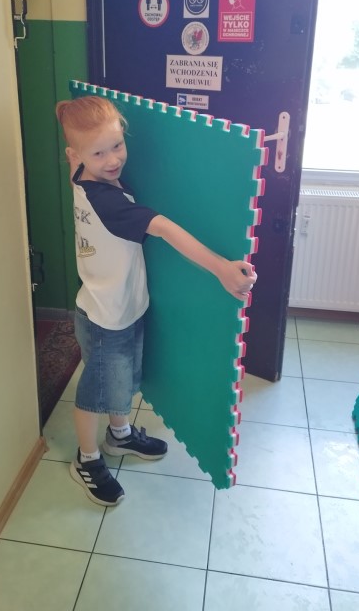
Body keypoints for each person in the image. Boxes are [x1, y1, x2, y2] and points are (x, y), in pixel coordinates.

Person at [55, 95, 256, 506]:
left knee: (124, 382)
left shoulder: (80, 175)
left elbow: (93, 156)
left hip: (125, 307)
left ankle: (119, 435)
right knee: (96, 393)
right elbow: (163, 228)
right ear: (75, 155)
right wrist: (220, 267)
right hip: (105, 317)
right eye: (98, 153)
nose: (113, 160)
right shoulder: (106, 201)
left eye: (117, 145)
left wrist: (85, 146)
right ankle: (86, 459)